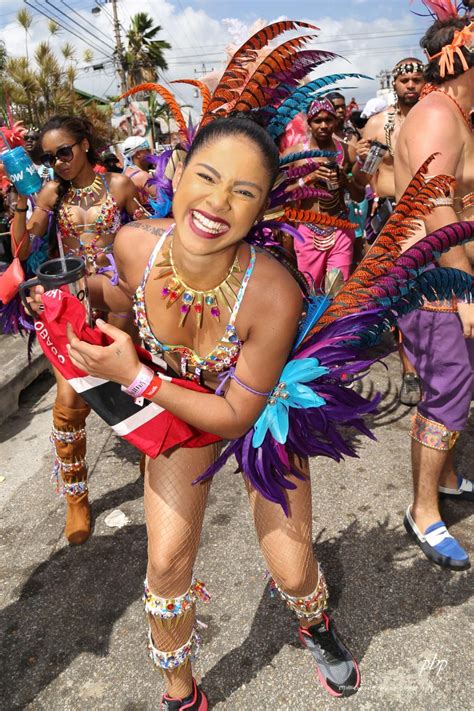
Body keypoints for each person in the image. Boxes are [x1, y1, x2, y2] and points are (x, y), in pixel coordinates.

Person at [46, 116, 362, 708]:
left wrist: (135, 377)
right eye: (207, 177)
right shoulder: (135, 242)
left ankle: (315, 623)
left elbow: (237, 415)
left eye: (243, 192)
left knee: (292, 570)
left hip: (259, 413)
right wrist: (68, 297)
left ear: (262, 209)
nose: (219, 203)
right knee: (166, 561)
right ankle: (180, 692)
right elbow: (125, 297)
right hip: (176, 410)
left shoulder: (273, 294)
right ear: (178, 173)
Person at [11, 115, 142, 546]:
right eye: (50, 158)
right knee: (68, 403)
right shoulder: (51, 195)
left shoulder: (121, 187)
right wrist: (33, 204)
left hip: (121, 303)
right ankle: (76, 501)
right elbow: (25, 247)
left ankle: (155, 471)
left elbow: (152, 235)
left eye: (64, 152)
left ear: (84, 145)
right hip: (73, 308)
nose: (58, 163)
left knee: (136, 389)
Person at [394, 13, 474, 570]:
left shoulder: (455, 115)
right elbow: (433, 203)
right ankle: (423, 511)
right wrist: (465, 288)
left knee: (456, 387)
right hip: (437, 284)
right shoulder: (436, 117)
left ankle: (443, 478)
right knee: (447, 394)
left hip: (448, 276)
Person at [354, 58, 426, 405]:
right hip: (391, 215)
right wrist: (357, 160)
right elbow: (358, 185)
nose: (411, 85)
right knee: (402, 295)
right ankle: (410, 369)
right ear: (394, 85)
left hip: (434, 212)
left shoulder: (438, 119)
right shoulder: (377, 125)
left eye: (417, 79)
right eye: (405, 80)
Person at [282, 98, 364, 290]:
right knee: (311, 292)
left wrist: (346, 180)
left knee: (336, 290)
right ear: (309, 123)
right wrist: (307, 179)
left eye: (328, 120)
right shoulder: (294, 155)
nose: (324, 125)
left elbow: (359, 195)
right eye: (318, 121)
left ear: (335, 121)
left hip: (341, 229)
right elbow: (280, 193)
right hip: (308, 232)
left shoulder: (346, 151)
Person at [121, 135, 156, 208]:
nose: (151, 153)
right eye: (148, 150)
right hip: (150, 219)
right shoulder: (142, 176)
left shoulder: (124, 174)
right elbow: (164, 200)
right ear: (138, 154)